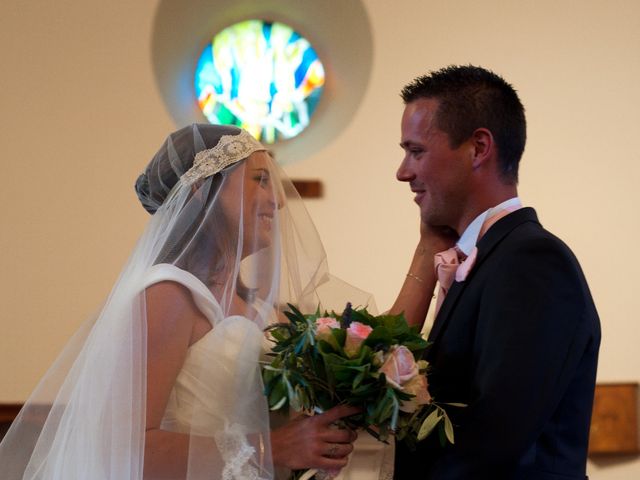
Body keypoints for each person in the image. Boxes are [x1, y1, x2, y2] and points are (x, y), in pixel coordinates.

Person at [0, 124, 364, 479]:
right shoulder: (168, 295)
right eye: (260, 181)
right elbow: (126, 449)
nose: (279, 200)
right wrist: (273, 447)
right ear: (202, 192)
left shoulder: (260, 306)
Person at [389, 65, 600, 479]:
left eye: (416, 151)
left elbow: (495, 441)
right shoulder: (491, 256)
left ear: (479, 147)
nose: (403, 171)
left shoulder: (532, 262)